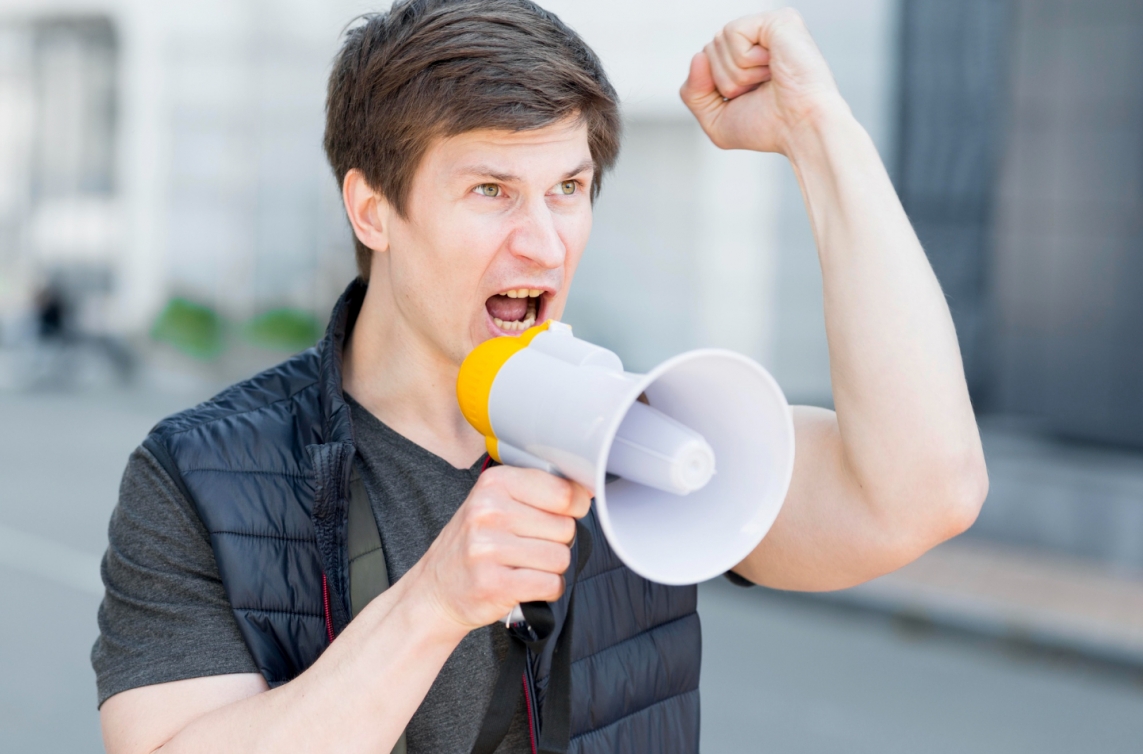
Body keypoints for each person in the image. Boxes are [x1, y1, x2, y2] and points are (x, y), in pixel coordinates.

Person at [93, 1, 988, 752]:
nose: (545, 242)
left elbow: (922, 493)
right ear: (373, 209)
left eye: (567, 186)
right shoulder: (201, 476)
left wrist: (819, 131)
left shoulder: (645, 433)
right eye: (491, 192)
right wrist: (434, 604)